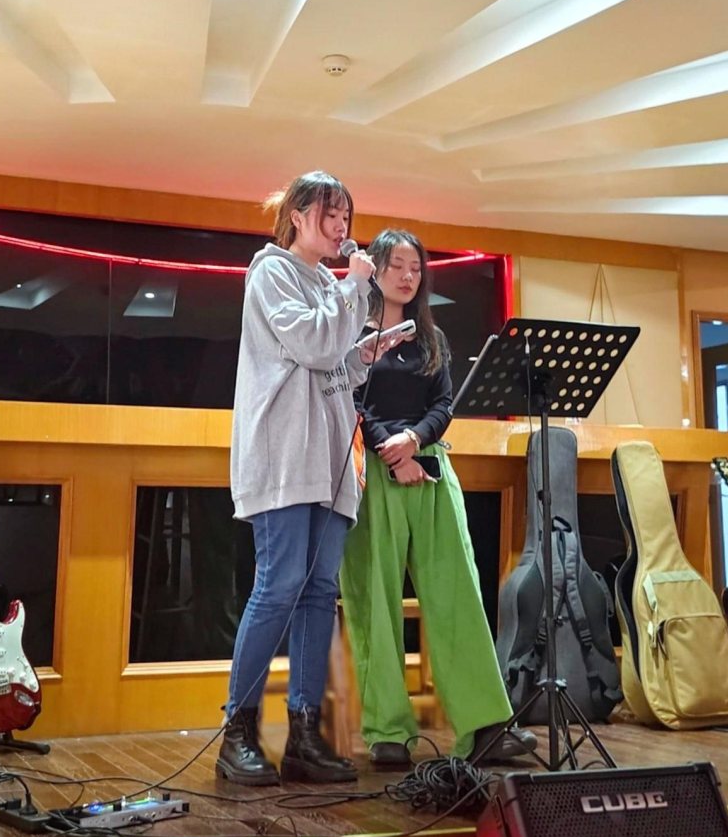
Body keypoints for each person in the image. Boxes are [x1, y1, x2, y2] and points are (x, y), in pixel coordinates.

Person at [217, 171, 392, 787]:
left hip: (330, 458)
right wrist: (356, 288)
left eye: (346, 217)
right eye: (330, 215)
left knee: (320, 591)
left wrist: (362, 356)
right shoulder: (272, 272)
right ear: (297, 216)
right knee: (280, 584)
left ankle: (304, 736)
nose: (341, 228)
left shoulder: (330, 283)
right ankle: (237, 732)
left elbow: (332, 366)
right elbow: (314, 346)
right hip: (286, 456)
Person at [339, 229, 536, 769]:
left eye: (416, 268)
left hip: (430, 467)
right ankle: (387, 731)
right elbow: (349, 398)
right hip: (371, 469)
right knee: (373, 602)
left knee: (459, 597)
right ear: (375, 269)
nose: (408, 276)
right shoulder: (349, 330)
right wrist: (391, 448)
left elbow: (445, 403)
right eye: (397, 266)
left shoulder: (431, 337)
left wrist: (415, 440)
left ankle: (485, 724)